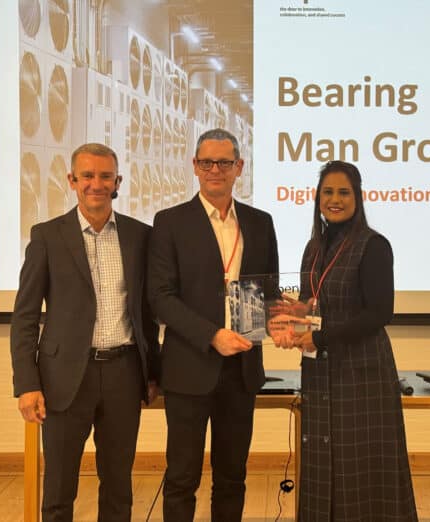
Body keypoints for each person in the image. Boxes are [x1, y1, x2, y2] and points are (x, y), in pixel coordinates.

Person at [10, 142, 160, 522]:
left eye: (105, 176)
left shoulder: (140, 236)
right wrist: (27, 384)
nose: (97, 183)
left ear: (118, 182)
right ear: (72, 180)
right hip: (63, 379)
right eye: (88, 175)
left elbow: (146, 313)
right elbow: (25, 317)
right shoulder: (47, 236)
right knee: (59, 491)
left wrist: (152, 373)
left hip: (124, 374)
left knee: (119, 488)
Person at [273, 160, 418, 521]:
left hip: (361, 372)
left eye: (343, 192)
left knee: (361, 468)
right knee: (321, 464)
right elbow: (316, 302)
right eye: (327, 192)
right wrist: (298, 313)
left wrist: (319, 337)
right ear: (317, 197)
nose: (334, 200)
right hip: (320, 372)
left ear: (357, 197)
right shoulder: (314, 247)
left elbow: (379, 313)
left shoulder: (374, 245)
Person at [148, 128, 279, 521]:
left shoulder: (260, 222)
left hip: (242, 369)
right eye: (207, 162)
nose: (215, 170)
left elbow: (268, 291)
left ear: (239, 167)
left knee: (232, 477)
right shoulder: (170, 222)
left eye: (224, 162)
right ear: (194, 166)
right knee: (182, 477)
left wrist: (287, 321)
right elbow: (160, 297)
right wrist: (212, 336)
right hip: (188, 368)